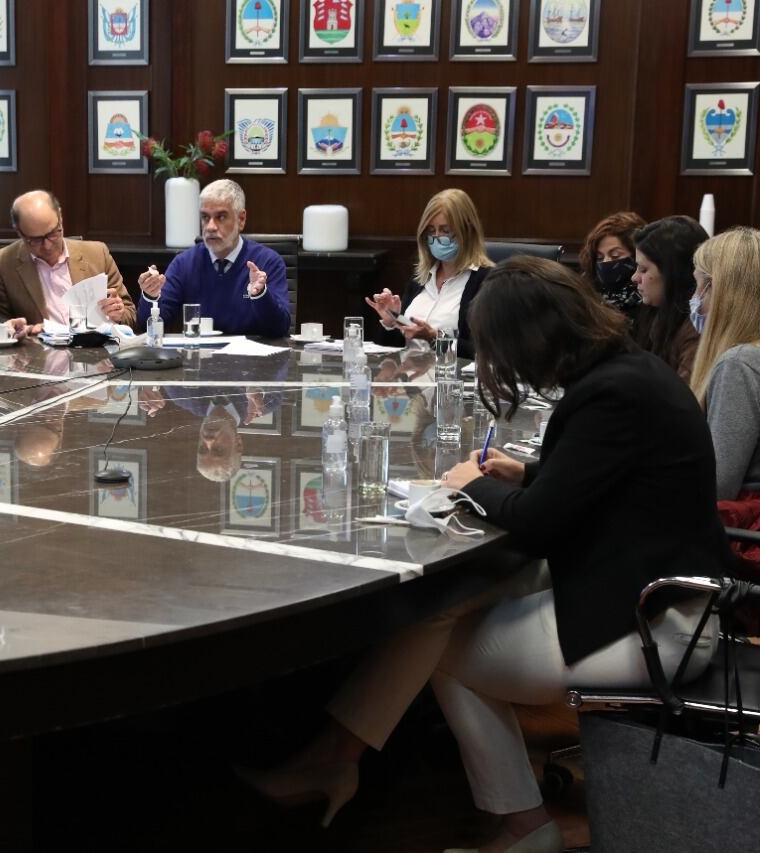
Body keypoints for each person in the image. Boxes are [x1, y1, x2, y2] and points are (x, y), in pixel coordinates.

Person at [241, 257, 730, 853]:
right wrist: (525, 471)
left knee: (442, 647)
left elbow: (539, 525)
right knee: (440, 607)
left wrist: (472, 482)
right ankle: (335, 757)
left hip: (657, 622)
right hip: (648, 591)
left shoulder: (608, 395)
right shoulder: (629, 374)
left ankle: (524, 826)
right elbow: (606, 474)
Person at [136, 179, 289, 338]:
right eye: (205, 217)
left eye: (221, 217)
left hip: (254, 360)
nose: (210, 227)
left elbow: (279, 329)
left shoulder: (268, 262)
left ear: (241, 219)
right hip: (198, 358)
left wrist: (260, 295)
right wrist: (151, 296)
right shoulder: (184, 263)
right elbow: (149, 326)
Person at [363, 188, 492, 360]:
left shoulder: (488, 281)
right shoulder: (420, 279)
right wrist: (393, 321)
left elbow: (487, 352)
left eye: (445, 230)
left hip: (451, 383)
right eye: (431, 231)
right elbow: (390, 355)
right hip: (408, 382)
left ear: (467, 230)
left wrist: (433, 338)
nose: (436, 237)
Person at [0, 190, 135, 333]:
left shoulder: (97, 254)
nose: (47, 245)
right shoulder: (0, 265)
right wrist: (13, 330)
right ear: (19, 231)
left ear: (60, 217)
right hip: (38, 357)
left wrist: (118, 314)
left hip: (95, 355)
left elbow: (131, 316)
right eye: (36, 240)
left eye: (53, 233)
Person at [688, 227, 760, 502]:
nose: (695, 300)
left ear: (719, 289)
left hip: (739, 533)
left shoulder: (740, 363)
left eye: (698, 286)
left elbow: (716, 486)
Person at [631, 215, 707, 382]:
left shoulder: (697, 329)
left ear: (673, 274)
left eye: (644, 270)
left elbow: (683, 401)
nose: (634, 277)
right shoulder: (653, 314)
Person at [578, 211, 647, 320]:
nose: (606, 262)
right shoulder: (587, 294)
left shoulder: (650, 298)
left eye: (615, 256)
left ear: (636, 255)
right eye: (600, 258)